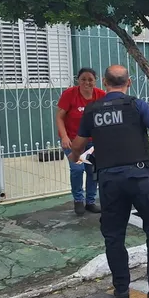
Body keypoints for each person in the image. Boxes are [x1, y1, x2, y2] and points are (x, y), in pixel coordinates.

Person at [68, 65, 149, 298]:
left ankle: (121, 288)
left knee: (113, 235)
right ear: (128, 83)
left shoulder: (92, 110)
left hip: (110, 181)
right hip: (140, 177)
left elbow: (77, 145)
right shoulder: (137, 105)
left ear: (104, 82)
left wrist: (74, 156)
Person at [56, 67, 106, 215]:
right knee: (77, 169)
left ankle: (90, 202)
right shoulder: (70, 94)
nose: (87, 82)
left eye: (90, 79)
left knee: (92, 170)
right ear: (78, 80)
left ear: (95, 81)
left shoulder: (101, 95)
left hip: (93, 142)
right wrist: (64, 137)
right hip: (73, 141)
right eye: (83, 79)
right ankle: (78, 200)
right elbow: (59, 117)